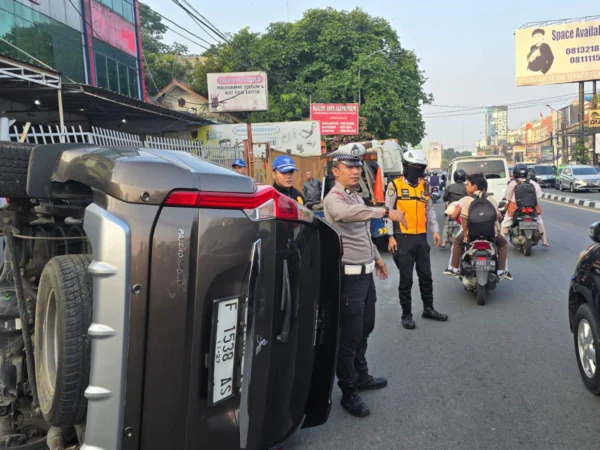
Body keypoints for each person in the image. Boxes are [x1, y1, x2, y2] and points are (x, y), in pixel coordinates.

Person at [323, 143, 407, 418]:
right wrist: (383, 211)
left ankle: (361, 375)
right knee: (348, 338)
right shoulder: (334, 199)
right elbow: (347, 216)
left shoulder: (356, 197)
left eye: (358, 167)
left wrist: (378, 259)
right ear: (336, 171)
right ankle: (348, 392)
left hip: (365, 275)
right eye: (350, 167)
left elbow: (363, 234)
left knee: (365, 327)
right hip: (348, 280)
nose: (356, 171)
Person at [385, 150, 448, 330]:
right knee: (406, 280)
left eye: (420, 168)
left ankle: (428, 309)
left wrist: (435, 231)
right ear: (406, 167)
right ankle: (407, 315)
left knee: (426, 276)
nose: (416, 171)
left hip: (421, 238)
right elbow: (388, 212)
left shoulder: (425, 186)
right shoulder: (394, 186)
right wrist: (390, 237)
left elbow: (429, 211)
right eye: (413, 167)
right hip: (402, 238)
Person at [448, 173, 511, 279]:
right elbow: (498, 217)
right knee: (503, 244)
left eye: (467, 184)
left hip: (471, 233)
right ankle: (500, 270)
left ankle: (454, 268)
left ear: (474, 186)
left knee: (457, 243)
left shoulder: (467, 199)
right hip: (490, 233)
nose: (466, 187)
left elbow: (464, 219)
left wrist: (465, 236)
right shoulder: (490, 199)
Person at [501, 163, 548, 247]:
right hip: (531, 206)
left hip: (515, 207)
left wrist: (507, 199)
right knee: (539, 221)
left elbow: (508, 195)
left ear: (514, 173)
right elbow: (539, 195)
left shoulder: (512, 183)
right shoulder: (532, 182)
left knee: (505, 223)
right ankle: (544, 241)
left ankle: (502, 243)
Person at [441, 169, 468, 247]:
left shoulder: (450, 187)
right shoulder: (466, 187)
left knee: (447, 224)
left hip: (452, 209)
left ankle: (444, 241)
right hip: (463, 208)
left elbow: (444, 198)